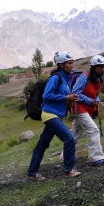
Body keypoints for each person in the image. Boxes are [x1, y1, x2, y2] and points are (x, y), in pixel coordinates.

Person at [27, 51, 81, 181]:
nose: (71, 66)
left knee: (42, 144)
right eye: (69, 63)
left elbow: (61, 97)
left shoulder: (66, 80)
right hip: (49, 114)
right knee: (69, 139)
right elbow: (47, 95)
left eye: (72, 63)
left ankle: (32, 172)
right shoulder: (55, 78)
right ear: (61, 65)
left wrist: (69, 99)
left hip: (56, 115)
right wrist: (66, 97)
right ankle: (69, 170)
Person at [61, 55, 104, 166]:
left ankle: (66, 155)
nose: (102, 69)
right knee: (93, 130)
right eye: (100, 67)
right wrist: (90, 101)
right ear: (94, 67)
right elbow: (75, 93)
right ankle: (95, 158)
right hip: (80, 108)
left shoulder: (98, 79)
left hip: (89, 109)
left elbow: (96, 94)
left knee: (76, 133)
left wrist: (96, 100)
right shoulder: (84, 77)